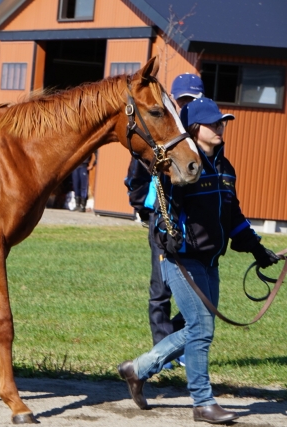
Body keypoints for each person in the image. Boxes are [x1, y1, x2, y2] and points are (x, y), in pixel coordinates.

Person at [118, 98, 281, 424]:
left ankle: (137, 369)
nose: (220, 127)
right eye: (213, 123)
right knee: (201, 329)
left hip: (210, 261)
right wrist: (168, 236)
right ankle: (203, 402)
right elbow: (158, 208)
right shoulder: (179, 165)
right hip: (181, 260)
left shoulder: (224, 167)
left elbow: (232, 215)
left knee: (197, 329)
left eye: (222, 122)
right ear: (194, 129)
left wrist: (257, 249)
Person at [124, 73, 205, 366]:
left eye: (191, 102)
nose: (185, 107)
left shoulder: (203, 139)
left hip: (197, 225)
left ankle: (178, 343)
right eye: (181, 101)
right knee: (160, 290)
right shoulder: (159, 133)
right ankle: (163, 349)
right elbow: (135, 177)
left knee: (196, 288)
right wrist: (145, 210)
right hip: (163, 221)